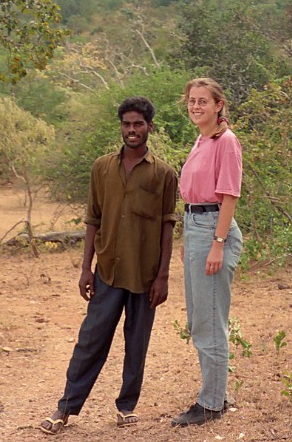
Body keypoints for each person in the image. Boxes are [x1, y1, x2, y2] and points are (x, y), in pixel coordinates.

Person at [40, 96, 178, 435]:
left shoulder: (164, 173)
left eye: (138, 124)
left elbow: (167, 225)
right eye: (127, 124)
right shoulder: (102, 167)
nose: (132, 130)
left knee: (137, 342)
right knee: (91, 339)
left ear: (150, 127)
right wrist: (86, 268)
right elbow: (92, 219)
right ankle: (66, 407)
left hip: (146, 275)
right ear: (122, 127)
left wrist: (163, 276)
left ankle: (126, 406)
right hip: (108, 272)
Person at [171, 77, 244, 428]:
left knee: (210, 322)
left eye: (203, 101)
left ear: (219, 105)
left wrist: (217, 243)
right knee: (199, 319)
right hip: (196, 227)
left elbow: (229, 195)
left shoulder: (226, 142)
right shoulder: (203, 139)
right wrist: (191, 240)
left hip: (214, 228)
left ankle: (211, 403)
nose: (196, 106)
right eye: (192, 100)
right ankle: (217, 393)